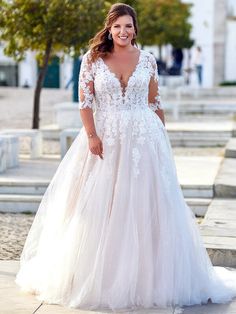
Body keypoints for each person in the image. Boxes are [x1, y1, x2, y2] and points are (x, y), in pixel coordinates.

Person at [15, 3, 236, 312]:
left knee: (143, 203)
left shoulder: (147, 60)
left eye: (128, 26)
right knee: (97, 205)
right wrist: (91, 135)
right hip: (104, 136)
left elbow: (155, 101)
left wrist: (162, 138)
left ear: (135, 29)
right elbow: (85, 101)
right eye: (117, 26)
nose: (123, 31)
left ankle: (146, 275)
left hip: (143, 138)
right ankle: (95, 272)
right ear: (109, 27)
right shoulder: (92, 58)